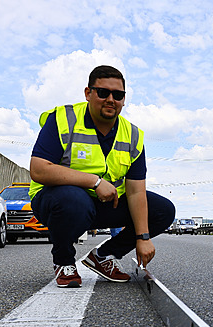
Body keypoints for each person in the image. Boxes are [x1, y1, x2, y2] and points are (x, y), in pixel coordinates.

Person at [29, 65, 175, 288]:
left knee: (163, 210)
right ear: (88, 93)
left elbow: (136, 192)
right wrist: (94, 182)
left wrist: (143, 238)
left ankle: (103, 256)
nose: (110, 99)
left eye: (118, 95)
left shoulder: (133, 135)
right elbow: (39, 169)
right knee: (72, 200)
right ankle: (64, 261)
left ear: (124, 99)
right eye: (103, 92)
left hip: (105, 205)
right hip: (57, 202)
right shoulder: (63, 119)